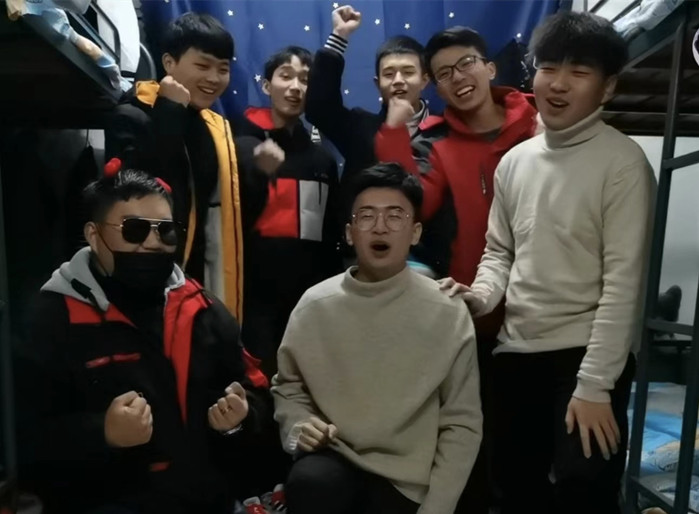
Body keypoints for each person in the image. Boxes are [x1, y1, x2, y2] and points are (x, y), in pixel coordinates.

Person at [442, 11, 655, 514]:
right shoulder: (516, 162)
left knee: (584, 486)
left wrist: (595, 385)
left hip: (586, 356)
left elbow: (623, 284)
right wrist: (479, 296)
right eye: (548, 68)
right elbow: (500, 252)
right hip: (516, 352)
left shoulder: (623, 162)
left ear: (607, 88)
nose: (558, 84)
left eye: (579, 73)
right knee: (514, 490)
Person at [14, 169, 272, 514]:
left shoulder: (204, 309)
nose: (152, 243)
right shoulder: (50, 319)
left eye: (165, 230)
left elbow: (256, 391)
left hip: (207, 500)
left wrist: (242, 416)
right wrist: (102, 433)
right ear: (93, 235)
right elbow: (23, 438)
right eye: (134, 229)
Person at [374, 25, 538, 512]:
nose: (458, 78)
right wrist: (394, 133)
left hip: (543, 312)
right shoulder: (437, 143)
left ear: (489, 67)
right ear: (436, 87)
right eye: (444, 73)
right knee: (476, 440)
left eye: (466, 64)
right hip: (477, 312)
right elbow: (415, 204)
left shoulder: (540, 123)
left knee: (533, 450)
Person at [272, 163, 482, 514]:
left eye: (395, 216)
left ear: (415, 232)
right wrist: (299, 425)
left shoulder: (446, 310)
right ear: (350, 233)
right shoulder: (315, 305)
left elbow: (461, 422)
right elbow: (288, 387)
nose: (380, 227)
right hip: (335, 460)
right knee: (312, 482)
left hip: (408, 482)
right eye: (366, 216)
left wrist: (438, 507)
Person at [105, 12, 276, 321]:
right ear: (169, 63)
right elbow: (134, 196)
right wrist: (169, 110)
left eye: (223, 69)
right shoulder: (132, 115)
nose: (214, 78)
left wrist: (260, 174)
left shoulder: (216, 130)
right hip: (146, 284)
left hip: (201, 287)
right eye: (202, 65)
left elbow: (234, 218)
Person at [234, 46, 343, 378]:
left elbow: (329, 237)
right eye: (286, 76)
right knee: (260, 385)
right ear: (267, 85)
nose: (296, 87)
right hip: (254, 302)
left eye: (305, 79)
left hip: (310, 301)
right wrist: (256, 173)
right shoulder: (238, 146)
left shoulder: (323, 160)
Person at [305, 5, 429, 188]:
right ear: (377, 84)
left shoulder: (442, 131)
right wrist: (339, 35)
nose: (398, 80)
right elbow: (318, 108)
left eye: (408, 72)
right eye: (389, 74)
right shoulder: (359, 127)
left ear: (424, 80)